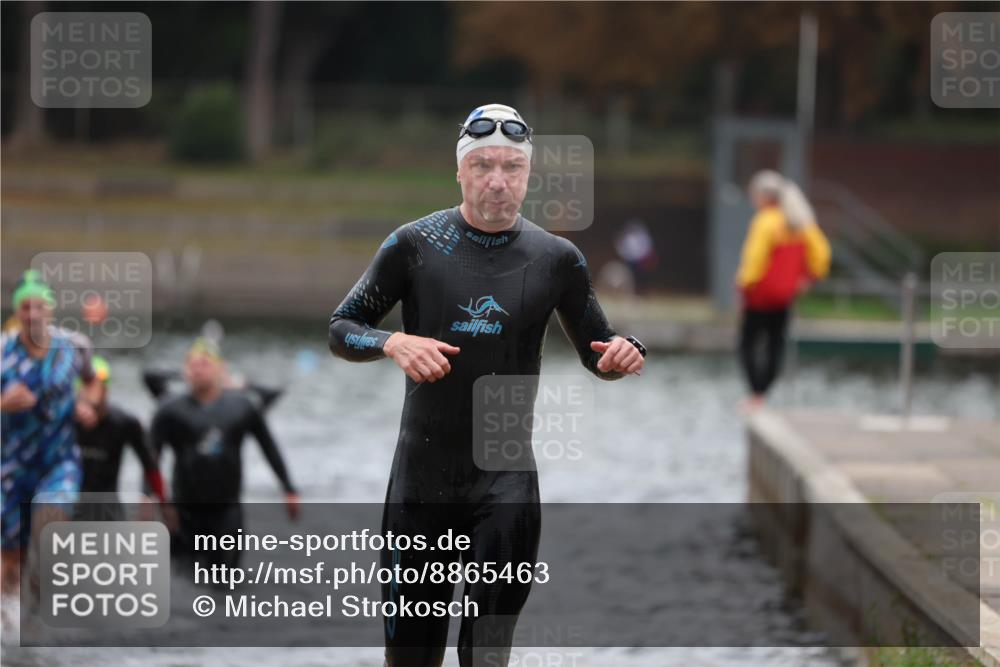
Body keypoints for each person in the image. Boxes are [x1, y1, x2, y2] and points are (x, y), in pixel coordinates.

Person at [328, 103, 646, 667]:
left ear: (528, 174)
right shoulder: (414, 244)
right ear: (460, 171)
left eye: (511, 167)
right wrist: (392, 342)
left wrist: (624, 352)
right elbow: (341, 328)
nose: (497, 180)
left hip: (505, 489)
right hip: (419, 490)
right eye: (482, 165)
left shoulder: (557, 260)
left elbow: (599, 353)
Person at [150, 337, 299, 570]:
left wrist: (288, 488)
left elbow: (269, 447)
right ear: (185, 370)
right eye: (192, 365)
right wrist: (149, 498)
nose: (198, 370)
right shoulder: (169, 410)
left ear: (221, 369)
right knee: (181, 582)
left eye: (205, 364)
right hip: (182, 511)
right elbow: (151, 458)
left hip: (226, 512)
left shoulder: (242, 407)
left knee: (226, 583)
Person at [1, 271, 99, 598]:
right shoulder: (3, 351)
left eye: (39, 306)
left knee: (50, 526)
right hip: (10, 467)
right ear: (16, 310)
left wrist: (88, 405)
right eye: (25, 307)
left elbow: (93, 382)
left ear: (51, 309)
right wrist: (3, 404)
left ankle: (44, 606)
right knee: (10, 560)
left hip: (59, 461)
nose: (32, 314)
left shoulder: (75, 346)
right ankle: (8, 617)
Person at [735, 170, 831, 409]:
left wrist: (743, 287)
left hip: (759, 297)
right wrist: (809, 278)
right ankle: (763, 391)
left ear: (765, 196)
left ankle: (755, 393)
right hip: (785, 296)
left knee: (747, 344)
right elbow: (822, 253)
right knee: (776, 343)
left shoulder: (765, 221)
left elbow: (754, 260)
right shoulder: (799, 222)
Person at [75, 356, 168, 506]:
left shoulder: (124, 422)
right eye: (87, 385)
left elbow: (150, 463)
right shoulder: (65, 421)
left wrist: (156, 499)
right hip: (72, 506)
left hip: (108, 506)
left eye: (98, 385)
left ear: (106, 388)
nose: (91, 392)